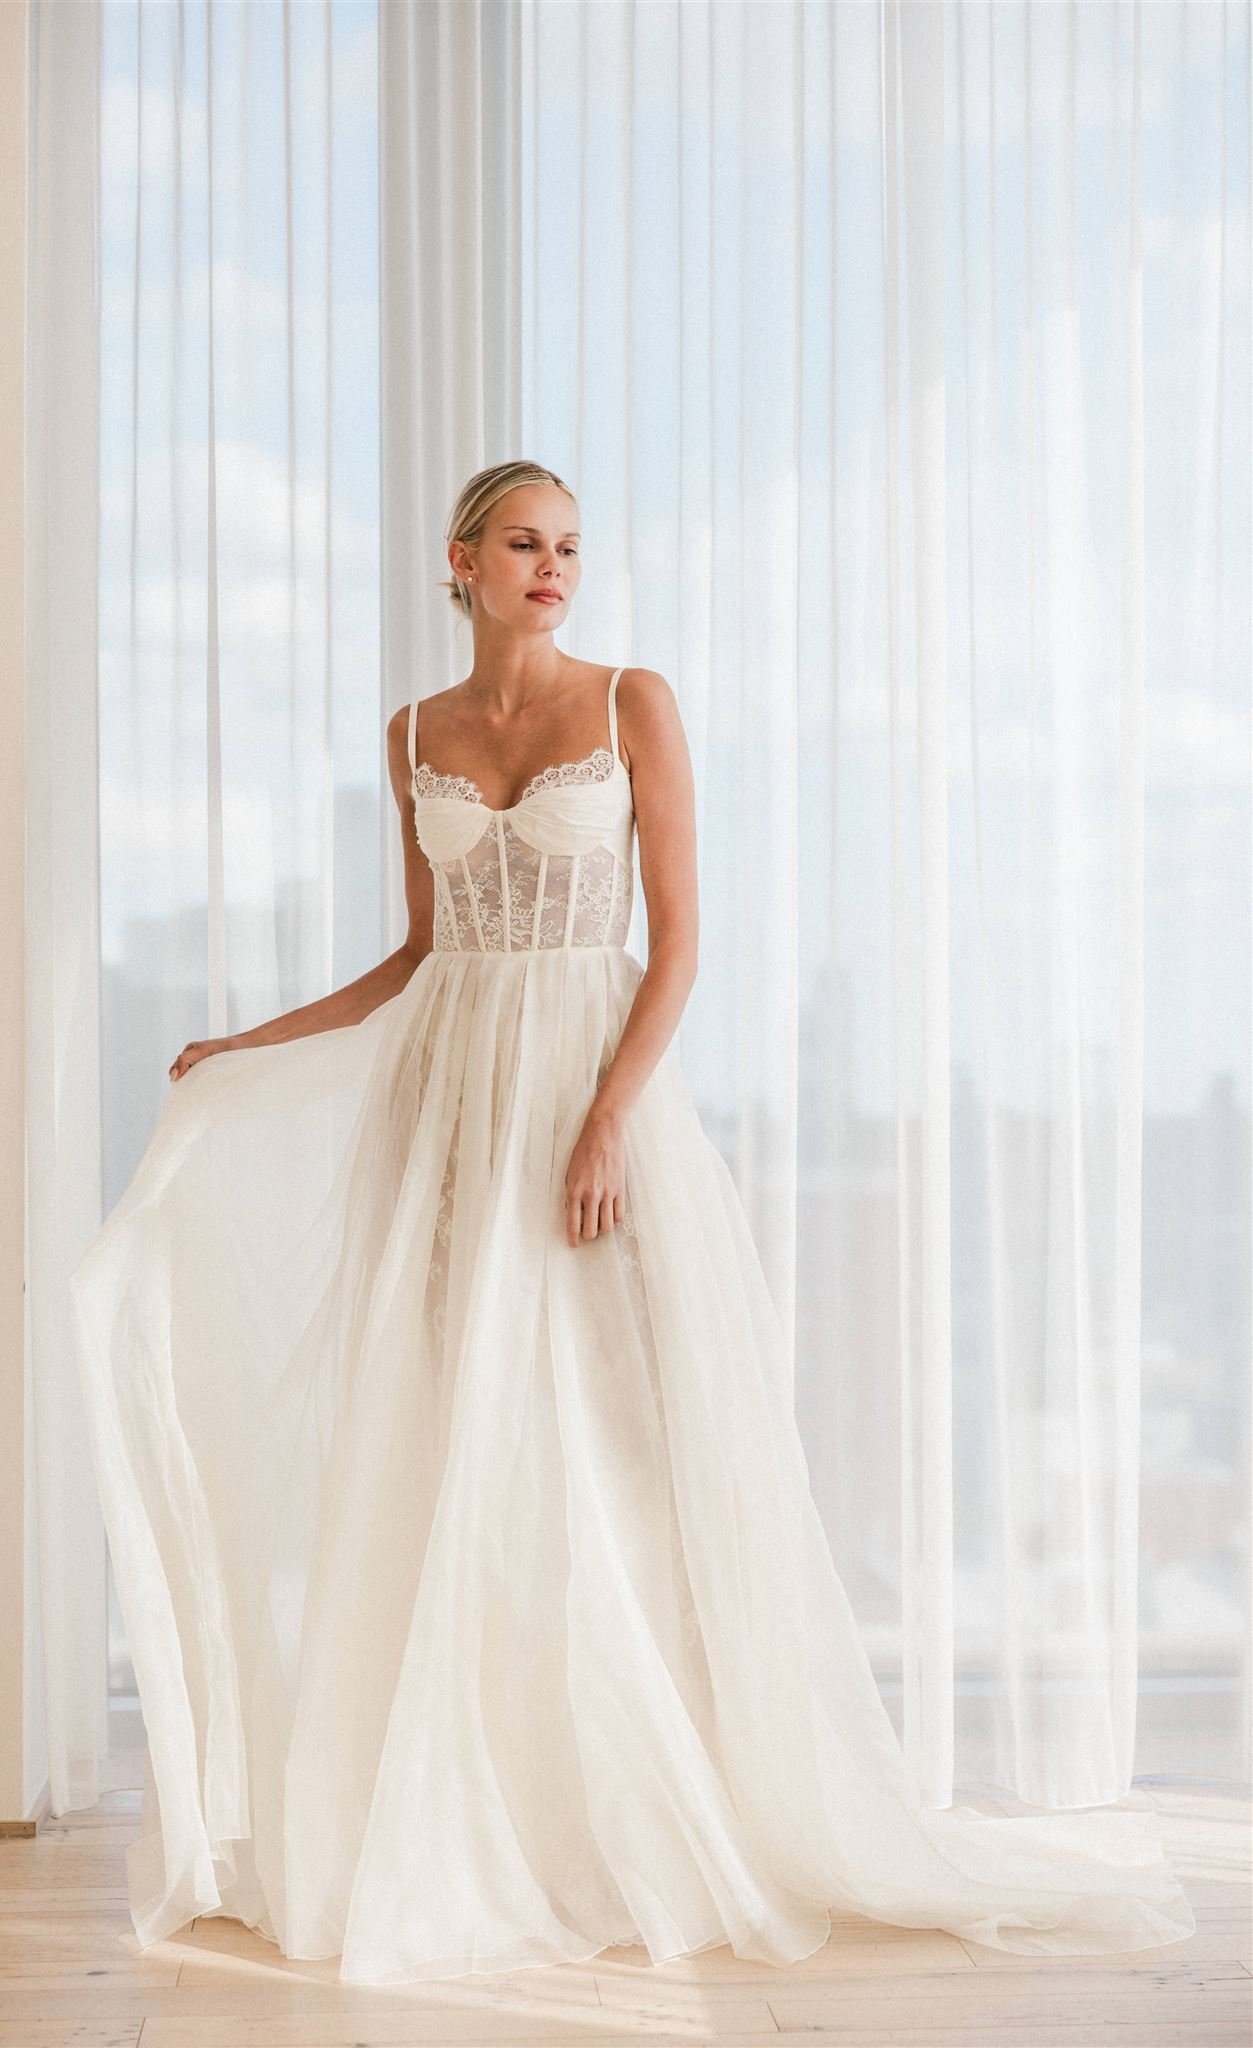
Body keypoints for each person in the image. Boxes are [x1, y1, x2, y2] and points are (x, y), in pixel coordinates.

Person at [70, 458, 1194, 1987]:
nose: (554, 568)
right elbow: (416, 953)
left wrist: (604, 1117)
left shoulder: (630, 703)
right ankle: (486, 1811)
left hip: (594, 1108)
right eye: (524, 545)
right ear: (459, 562)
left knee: (612, 1446)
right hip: (452, 1113)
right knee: (463, 1443)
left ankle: (651, 1809)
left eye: (570, 548)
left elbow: (678, 942)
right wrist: (249, 1044)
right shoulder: (412, 732)